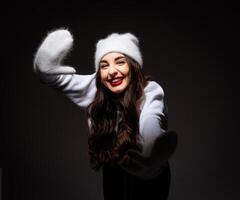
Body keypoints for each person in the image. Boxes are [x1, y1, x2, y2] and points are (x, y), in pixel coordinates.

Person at [33, 29, 178, 200]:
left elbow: (151, 119)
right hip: (115, 167)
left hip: (150, 166)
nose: (112, 71)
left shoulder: (150, 90)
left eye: (120, 62)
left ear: (133, 65)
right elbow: (58, 79)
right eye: (104, 65)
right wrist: (44, 68)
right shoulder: (97, 87)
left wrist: (151, 153)